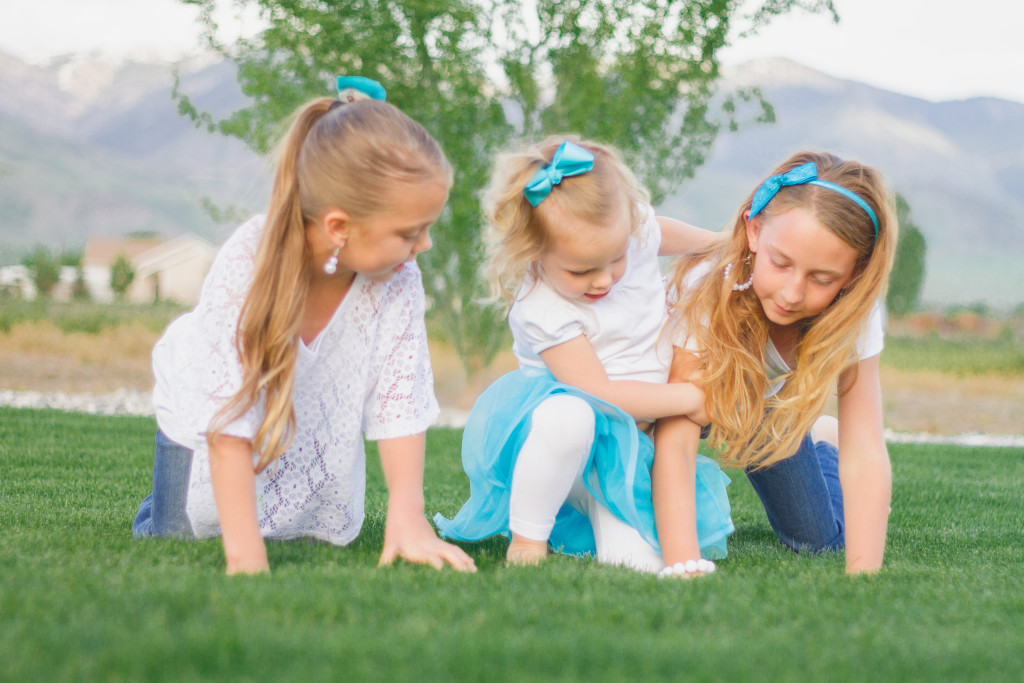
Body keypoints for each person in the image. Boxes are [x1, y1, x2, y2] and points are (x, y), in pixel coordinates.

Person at [132, 76, 476, 576]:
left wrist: (409, 519)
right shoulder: (249, 264)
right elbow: (229, 418)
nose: (424, 245)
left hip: (308, 413)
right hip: (210, 419)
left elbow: (398, 399)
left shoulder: (397, 274)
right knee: (182, 536)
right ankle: (163, 500)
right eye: (410, 232)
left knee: (304, 538)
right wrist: (246, 560)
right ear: (339, 227)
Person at [434, 136, 734, 574]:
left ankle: (598, 517)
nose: (604, 279)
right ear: (533, 253)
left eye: (615, 259)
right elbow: (597, 391)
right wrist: (693, 399)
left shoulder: (632, 234)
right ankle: (528, 536)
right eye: (581, 270)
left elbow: (659, 232)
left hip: (627, 449)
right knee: (570, 416)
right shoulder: (544, 306)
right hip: (562, 442)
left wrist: (720, 243)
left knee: (637, 564)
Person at [655, 150, 896, 575]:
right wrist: (683, 561)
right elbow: (676, 430)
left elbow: (865, 448)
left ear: (854, 275)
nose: (791, 293)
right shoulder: (710, 285)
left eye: (822, 279)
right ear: (753, 232)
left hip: (758, 405)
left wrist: (865, 578)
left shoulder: (856, 314)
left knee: (819, 543)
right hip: (662, 401)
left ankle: (821, 442)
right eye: (780, 263)